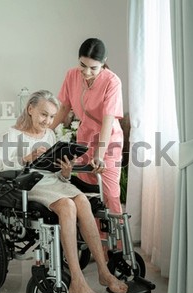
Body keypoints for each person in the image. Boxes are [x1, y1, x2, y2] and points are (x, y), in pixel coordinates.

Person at [0, 90, 127, 293]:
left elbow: (55, 171)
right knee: (67, 206)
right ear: (30, 109)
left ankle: (104, 273)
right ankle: (77, 281)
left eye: (51, 116)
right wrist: (25, 159)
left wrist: (65, 171)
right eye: (43, 114)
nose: (48, 120)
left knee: (83, 201)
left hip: (55, 183)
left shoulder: (50, 135)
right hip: (30, 186)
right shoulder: (13, 135)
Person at [50, 38, 124, 216]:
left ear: (103, 63)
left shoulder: (112, 82)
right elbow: (65, 108)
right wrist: (46, 131)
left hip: (108, 140)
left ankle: (116, 244)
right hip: (85, 139)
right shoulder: (72, 75)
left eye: (93, 68)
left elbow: (108, 120)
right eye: (83, 65)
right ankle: (93, 242)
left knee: (110, 194)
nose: (87, 72)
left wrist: (99, 155)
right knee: (88, 192)